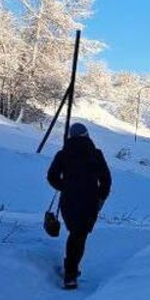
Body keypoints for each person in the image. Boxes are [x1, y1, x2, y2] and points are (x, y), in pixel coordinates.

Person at [46, 122, 112, 289]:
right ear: (87, 135)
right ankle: (71, 274)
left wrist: (65, 187)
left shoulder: (63, 154)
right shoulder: (96, 154)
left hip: (69, 200)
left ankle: (71, 270)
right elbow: (106, 179)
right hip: (90, 201)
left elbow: (51, 176)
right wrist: (100, 198)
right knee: (79, 236)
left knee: (75, 233)